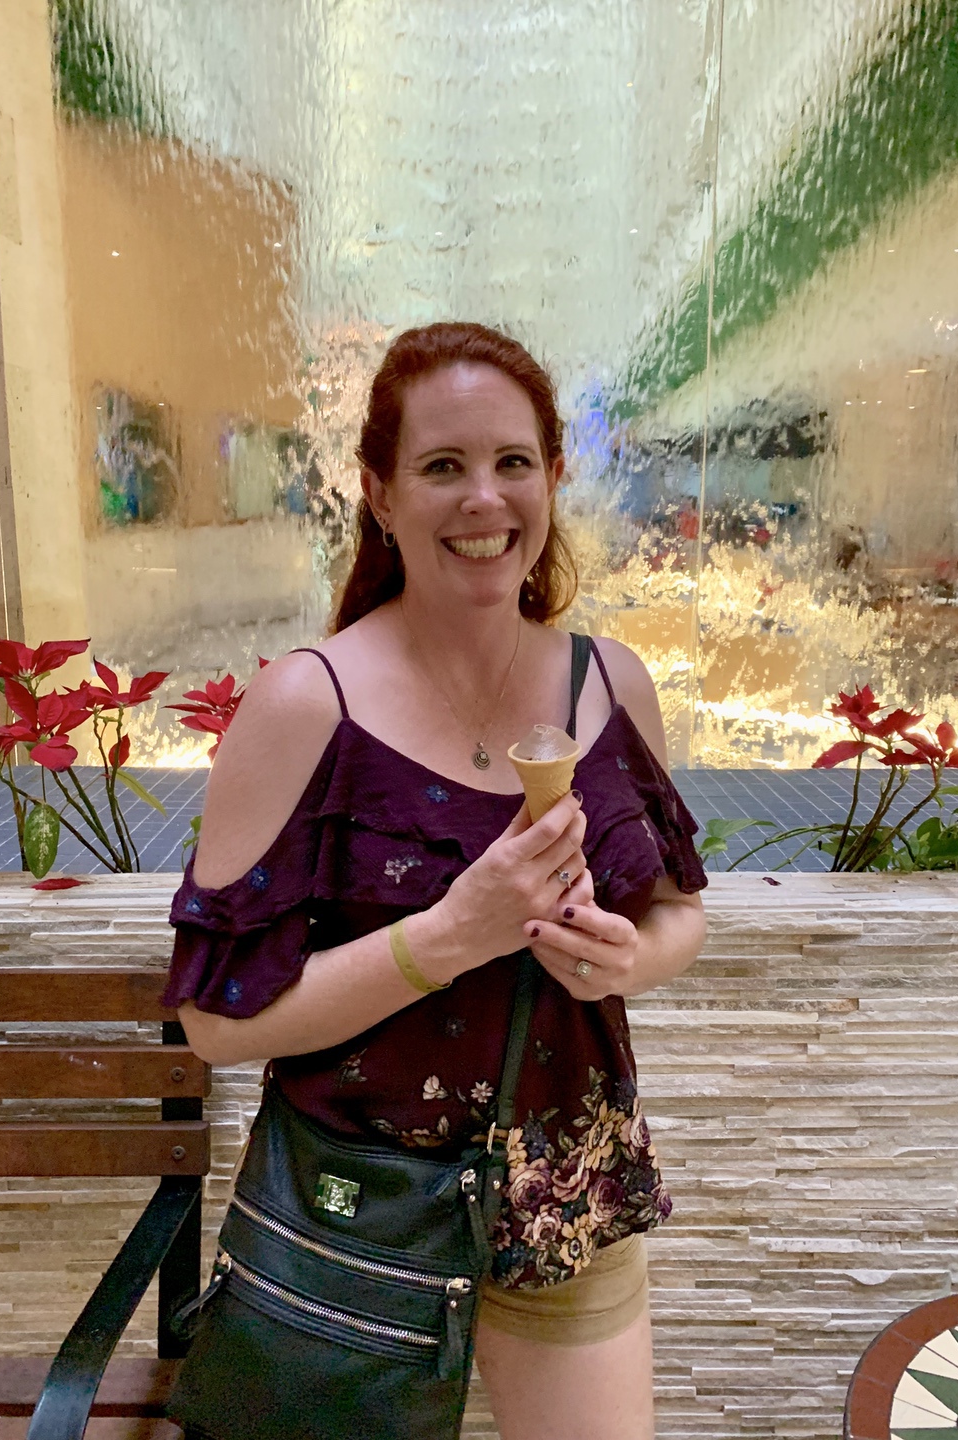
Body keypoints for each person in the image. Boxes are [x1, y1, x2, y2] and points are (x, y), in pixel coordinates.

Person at [165, 322, 708, 1440]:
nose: (484, 500)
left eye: (513, 462)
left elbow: (678, 916)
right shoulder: (307, 707)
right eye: (443, 467)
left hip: (571, 1183)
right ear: (379, 490)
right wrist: (451, 934)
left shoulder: (613, 685)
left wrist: (630, 955)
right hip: (361, 1207)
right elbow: (213, 1028)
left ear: (554, 475)